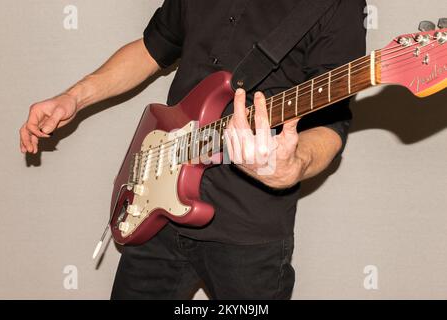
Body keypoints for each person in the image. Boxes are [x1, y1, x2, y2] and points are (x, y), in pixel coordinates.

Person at [19, 0, 366, 299]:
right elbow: (152, 48)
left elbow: (331, 123)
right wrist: (74, 98)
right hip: (156, 204)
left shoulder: (335, 4)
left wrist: (293, 166)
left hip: (246, 228)